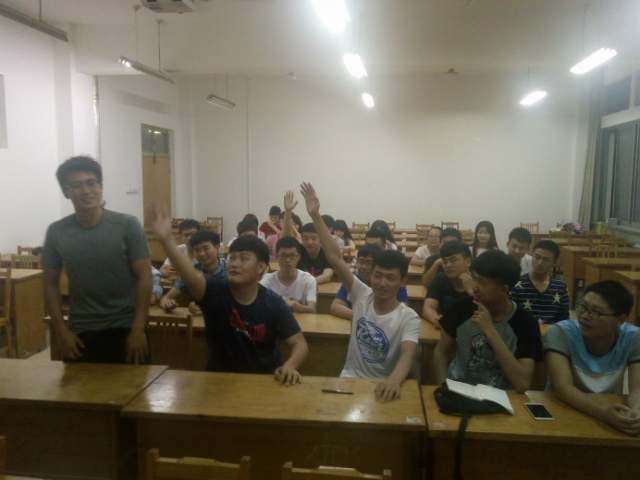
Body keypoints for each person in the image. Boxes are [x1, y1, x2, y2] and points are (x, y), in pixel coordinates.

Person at [150, 203, 309, 385]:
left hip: (264, 382)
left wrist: (290, 365)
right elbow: (189, 274)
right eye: (232, 258)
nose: (234, 263)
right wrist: (166, 240)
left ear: (261, 268)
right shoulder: (215, 292)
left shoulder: (273, 303)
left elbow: (300, 344)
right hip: (219, 381)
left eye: (243, 259)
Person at [299, 183, 420, 402]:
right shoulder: (361, 294)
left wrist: (394, 380)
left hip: (385, 385)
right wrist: (316, 216)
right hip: (350, 379)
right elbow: (335, 258)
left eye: (391, 278)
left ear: (402, 281)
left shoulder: (409, 317)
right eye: (378, 275)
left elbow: (408, 355)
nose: (382, 283)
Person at [42, 156, 152, 365]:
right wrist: (61, 331)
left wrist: (138, 329)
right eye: (76, 185)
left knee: (136, 386)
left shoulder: (127, 225)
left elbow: (145, 278)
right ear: (66, 192)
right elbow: (49, 283)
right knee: (80, 386)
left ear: (101, 187)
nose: (86, 190)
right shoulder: (57, 232)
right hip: (81, 330)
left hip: (126, 327)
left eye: (91, 183)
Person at [433, 249, 543, 392]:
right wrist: (443, 387)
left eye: (481, 282)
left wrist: (490, 331)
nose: (474, 287)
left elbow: (522, 384)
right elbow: (440, 352)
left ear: (503, 290)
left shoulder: (526, 323)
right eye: (474, 278)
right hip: (458, 391)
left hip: (502, 398)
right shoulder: (463, 307)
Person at [545, 280, 640, 436]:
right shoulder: (561, 332)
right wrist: (603, 414)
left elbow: (637, 389)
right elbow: (562, 387)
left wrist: (636, 410)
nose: (584, 316)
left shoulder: (633, 337)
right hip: (564, 410)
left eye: (596, 312)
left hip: (609, 415)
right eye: (583, 307)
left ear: (620, 320)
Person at [330, 244, 409, 320]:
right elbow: (335, 307)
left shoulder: (394, 285)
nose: (364, 267)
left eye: (369, 263)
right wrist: (364, 317)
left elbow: (402, 312)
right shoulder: (353, 282)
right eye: (361, 262)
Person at [159, 230, 226, 311]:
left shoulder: (230, 270)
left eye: (206, 248)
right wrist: (167, 303)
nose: (202, 253)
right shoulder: (192, 273)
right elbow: (165, 298)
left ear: (217, 248)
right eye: (197, 250)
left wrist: (206, 305)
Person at [509, 240, 569, 324]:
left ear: (555, 262)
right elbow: (511, 317)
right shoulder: (516, 283)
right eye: (537, 257)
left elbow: (564, 320)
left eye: (546, 260)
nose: (540, 263)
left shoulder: (560, 287)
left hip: (553, 331)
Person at [281, 193, 334, 285]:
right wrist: (288, 211)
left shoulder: (327, 254)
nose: (309, 242)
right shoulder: (298, 251)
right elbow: (285, 240)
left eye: (313, 238)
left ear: (320, 239)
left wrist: (306, 284)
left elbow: (327, 276)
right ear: (301, 238)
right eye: (306, 238)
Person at [422, 240, 474, 329]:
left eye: (453, 260)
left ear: (468, 262)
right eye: (444, 261)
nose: (448, 265)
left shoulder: (479, 281)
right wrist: (436, 319)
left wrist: (471, 292)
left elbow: (488, 313)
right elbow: (428, 307)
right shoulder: (440, 279)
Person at [260, 236, 317, 314]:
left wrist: (293, 304)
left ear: (298, 257)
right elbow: (260, 308)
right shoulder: (267, 280)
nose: (287, 260)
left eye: (292, 255)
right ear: (276, 257)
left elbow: (312, 310)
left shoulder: (308, 280)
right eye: (283, 256)